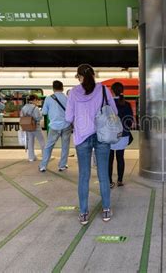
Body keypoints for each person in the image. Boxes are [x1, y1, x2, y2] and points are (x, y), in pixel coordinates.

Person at [66, 64, 118, 225]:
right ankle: (106, 209)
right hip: (102, 135)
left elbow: (68, 117)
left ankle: (83, 213)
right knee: (103, 175)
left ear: (79, 77)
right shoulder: (103, 89)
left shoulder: (74, 93)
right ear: (93, 75)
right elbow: (114, 111)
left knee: (84, 176)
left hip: (82, 137)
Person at [38, 81, 72, 172]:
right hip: (66, 125)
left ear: (53, 88)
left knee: (49, 146)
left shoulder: (49, 99)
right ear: (62, 88)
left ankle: (43, 166)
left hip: (54, 126)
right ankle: (62, 165)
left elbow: (44, 112)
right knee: (65, 146)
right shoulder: (67, 98)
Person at [108, 82, 134, 188]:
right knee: (120, 157)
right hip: (123, 135)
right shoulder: (126, 104)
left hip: (110, 136)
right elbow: (130, 121)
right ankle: (120, 180)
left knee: (109, 159)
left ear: (112, 91)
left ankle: (109, 182)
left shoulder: (107, 104)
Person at [21, 94, 45, 162]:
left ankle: (31, 158)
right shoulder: (35, 108)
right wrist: (41, 114)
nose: (37, 102)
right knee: (42, 141)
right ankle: (44, 156)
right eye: (37, 100)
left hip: (27, 126)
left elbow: (21, 116)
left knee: (30, 142)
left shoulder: (24, 107)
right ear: (34, 100)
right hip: (35, 126)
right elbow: (38, 118)